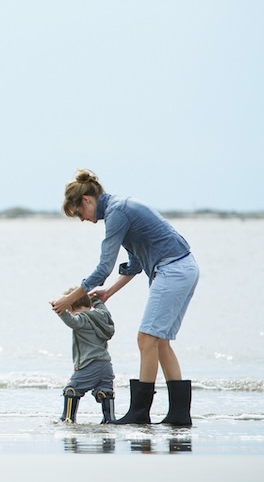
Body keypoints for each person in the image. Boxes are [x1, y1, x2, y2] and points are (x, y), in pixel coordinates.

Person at [50, 169, 200, 426]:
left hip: (172, 268)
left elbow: (103, 269)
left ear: (87, 200)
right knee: (160, 342)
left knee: (146, 338)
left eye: (79, 214)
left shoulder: (116, 213)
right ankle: (179, 415)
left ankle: (139, 413)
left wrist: (69, 300)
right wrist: (108, 292)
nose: (83, 220)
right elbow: (134, 264)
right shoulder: (122, 207)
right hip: (182, 266)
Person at [53, 288, 116, 424]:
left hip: (89, 364)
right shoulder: (103, 316)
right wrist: (95, 299)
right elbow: (103, 308)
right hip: (106, 365)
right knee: (105, 391)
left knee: (72, 390)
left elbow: (72, 321)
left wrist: (59, 308)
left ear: (69, 306)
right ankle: (110, 419)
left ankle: (68, 418)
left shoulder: (82, 319)